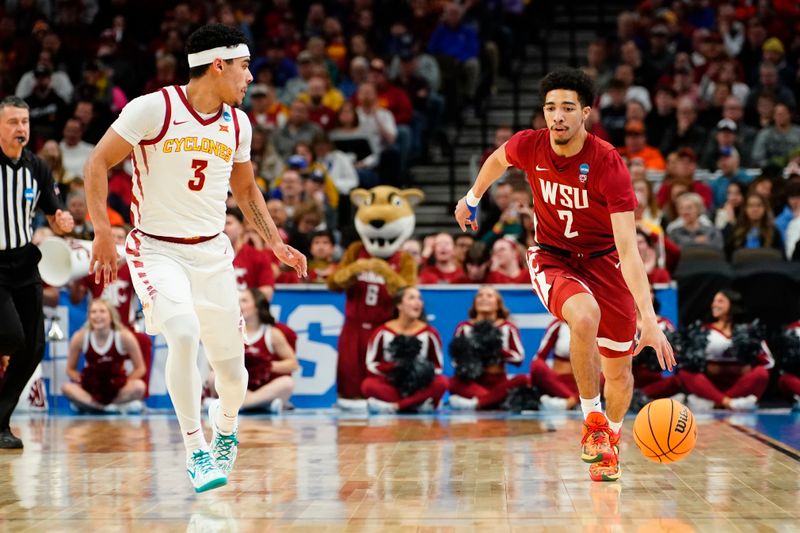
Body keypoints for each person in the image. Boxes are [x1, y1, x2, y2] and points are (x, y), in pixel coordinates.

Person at [83, 25, 306, 493]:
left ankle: (225, 429)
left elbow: (245, 190)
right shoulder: (153, 108)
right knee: (181, 334)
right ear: (218, 64)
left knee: (232, 371)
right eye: (245, 67)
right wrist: (103, 230)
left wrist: (275, 241)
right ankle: (196, 449)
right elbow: (97, 162)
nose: (250, 78)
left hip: (212, 253)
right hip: (156, 249)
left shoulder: (238, 124)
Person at [454, 68, 673, 482]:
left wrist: (648, 318)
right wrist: (471, 198)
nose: (557, 116)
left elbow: (628, 249)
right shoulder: (529, 145)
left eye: (567, 108)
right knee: (584, 315)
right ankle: (591, 423)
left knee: (620, 375)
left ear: (585, 113)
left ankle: (610, 439)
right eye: (551, 107)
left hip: (605, 261)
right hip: (552, 257)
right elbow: (497, 159)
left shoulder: (609, 162)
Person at [0, 96, 74, 449]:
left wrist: (62, 219)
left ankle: (1, 421)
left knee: (33, 347)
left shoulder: (37, 167)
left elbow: (54, 210)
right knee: (12, 337)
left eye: (25, 123)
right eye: (13, 122)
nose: (21, 129)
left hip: (24, 262)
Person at [678, 290, 773, 412]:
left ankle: (717, 403)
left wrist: (747, 365)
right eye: (714, 301)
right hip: (710, 385)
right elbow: (687, 361)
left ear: (732, 304)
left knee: (761, 373)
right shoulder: (703, 331)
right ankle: (729, 403)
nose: (714, 305)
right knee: (685, 372)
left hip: (739, 385)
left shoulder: (749, 331)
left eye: (720, 301)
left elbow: (768, 362)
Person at [206, 289, 298, 413]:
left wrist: (266, 366)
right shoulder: (229, 333)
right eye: (237, 301)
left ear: (257, 306)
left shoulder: (271, 333)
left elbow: (293, 364)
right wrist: (235, 366)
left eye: (244, 300)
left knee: (287, 383)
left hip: (264, 387)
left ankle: (241, 404)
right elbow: (212, 364)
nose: (239, 304)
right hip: (237, 386)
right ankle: (262, 406)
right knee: (214, 377)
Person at [361, 287, 448, 413]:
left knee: (442, 383)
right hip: (392, 383)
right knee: (368, 385)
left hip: (419, 385)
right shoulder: (382, 332)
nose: (418, 302)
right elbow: (370, 364)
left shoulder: (430, 333)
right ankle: (416, 404)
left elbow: (438, 367)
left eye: (419, 298)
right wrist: (394, 369)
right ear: (399, 305)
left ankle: (396, 406)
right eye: (412, 298)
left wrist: (419, 371)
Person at [448, 286, 528, 410]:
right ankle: (493, 401)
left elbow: (519, 358)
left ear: (498, 304)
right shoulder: (464, 327)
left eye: (489, 296)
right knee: (450, 382)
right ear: (474, 303)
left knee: (523, 379)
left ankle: (476, 403)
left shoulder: (508, 327)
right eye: (480, 295)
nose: (484, 298)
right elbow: (455, 361)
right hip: (473, 383)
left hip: (498, 383)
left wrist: (497, 350)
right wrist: (472, 354)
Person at [61, 299, 147, 412]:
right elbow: (70, 369)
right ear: (89, 316)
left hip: (116, 389)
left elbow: (141, 368)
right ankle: (110, 408)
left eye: (102, 311)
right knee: (66, 388)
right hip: (92, 389)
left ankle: (90, 406)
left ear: (111, 316)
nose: (97, 316)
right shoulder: (80, 337)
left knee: (139, 386)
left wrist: (121, 382)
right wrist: (83, 380)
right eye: (93, 312)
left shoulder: (124, 336)